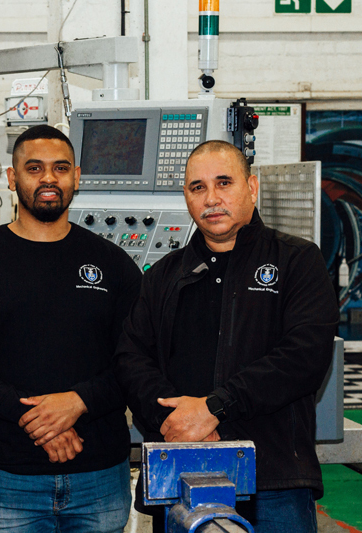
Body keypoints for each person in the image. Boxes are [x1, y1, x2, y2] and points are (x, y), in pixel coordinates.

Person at [115, 140, 339, 533]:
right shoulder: (165, 275)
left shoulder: (297, 261)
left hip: (274, 481)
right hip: (180, 476)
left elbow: (303, 356)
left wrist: (215, 407)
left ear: (251, 187)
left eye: (224, 183)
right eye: (197, 187)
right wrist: (181, 422)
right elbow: (132, 357)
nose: (211, 198)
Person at [0, 125, 141, 533]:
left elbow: (139, 357)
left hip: (99, 477)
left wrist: (79, 401)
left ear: (76, 177)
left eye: (60, 168)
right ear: (12, 179)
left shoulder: (112, 264)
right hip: (9, 478)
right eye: (34, 168)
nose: (48, 178)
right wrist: (34, 418)